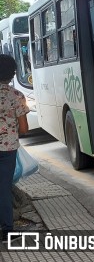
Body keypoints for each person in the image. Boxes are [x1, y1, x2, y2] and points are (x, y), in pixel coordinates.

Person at [0, 54, 30, 243]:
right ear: (12, 74)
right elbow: (25, 128)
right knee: (3, 187)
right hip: (8, 149)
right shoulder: (16, 96)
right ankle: (7, 231)